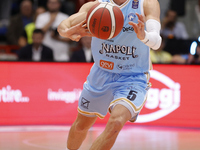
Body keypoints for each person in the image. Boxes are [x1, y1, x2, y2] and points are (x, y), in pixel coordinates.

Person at [58, 0, 161, 149]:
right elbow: (64, 25)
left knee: (116, 122)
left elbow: (156, 42)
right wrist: (67, 32)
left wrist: (143, 35)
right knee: (81, 126)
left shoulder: (146, 4)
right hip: (101, 74)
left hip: (133, 77)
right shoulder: (96, 6)